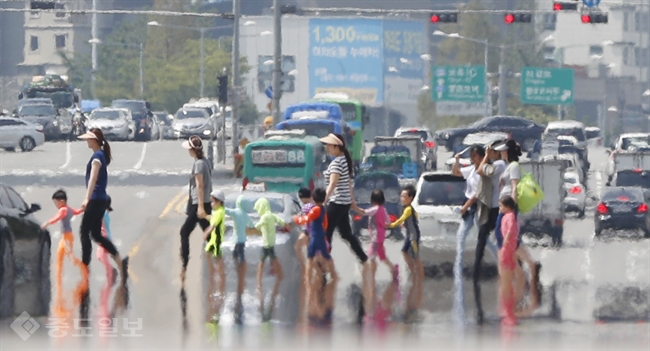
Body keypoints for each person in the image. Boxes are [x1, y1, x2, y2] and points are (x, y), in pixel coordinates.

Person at [493, 139, 540, 314]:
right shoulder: (506, 165)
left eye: (503, 150)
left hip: (508, 208)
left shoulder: (512, 166)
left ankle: (519, 294)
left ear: (508, 151)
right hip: (504, 207)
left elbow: (514, 187)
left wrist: (511, 208)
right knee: (508, 248)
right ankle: (517, 294)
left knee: (508, 240)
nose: (501, 152)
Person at [77, 129, 126, 284]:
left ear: (94, 140)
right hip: (101, 199)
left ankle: (85, 268)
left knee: (84, 232)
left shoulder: (97, 157)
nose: (86, 141)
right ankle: (118, 259)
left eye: (88, 139)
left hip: (96, 199)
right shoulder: (101, 155)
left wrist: (86, 198)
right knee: (96, 234)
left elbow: (93, 179)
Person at [319, 133, 367, 264]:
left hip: (336, 202)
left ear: (336, 147)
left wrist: (324, 201)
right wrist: (352, 203)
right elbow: (348, 184)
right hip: (343, 203)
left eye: (329, 145)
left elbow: (333, 184)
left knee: (325, 234)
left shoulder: (336, 163)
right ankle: (363, 257)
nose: (327, 148)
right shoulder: (344, 160)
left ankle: (323, 263)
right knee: (346, 234)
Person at [473, 140, 507, 323]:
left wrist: (486, 155)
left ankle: (479, 271)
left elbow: (481, 170)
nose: (490, 154)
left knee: (494, 237)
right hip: (492, 206)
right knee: (485, 237)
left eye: (492, 151)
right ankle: (478, 269)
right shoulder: (496, 164)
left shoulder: (500, 164)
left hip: (496, 208)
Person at [450, 145, 483, 322]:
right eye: (471, 156)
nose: (472, 158)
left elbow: (476, 194)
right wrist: (456, 161)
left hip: (474, 208)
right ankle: (458, 263)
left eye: (474, 156)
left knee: (482, 237)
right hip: (468, 207)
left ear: (480, 157)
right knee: (463, 236)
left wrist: (464, 208)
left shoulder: (482, 172)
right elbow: (456, 173)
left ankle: (459, 264)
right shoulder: (471, 169)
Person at [41, 189, 87, 314]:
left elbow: (58, 216)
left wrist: (47, 223)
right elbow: (77, 211)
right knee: (60, 256)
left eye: (56, 203)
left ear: (61, 201)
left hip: (67, 237)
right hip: (66, 237)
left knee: (69, 257)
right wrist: (83, 208)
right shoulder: (70, 209)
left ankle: (83, 271)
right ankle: (59, 278)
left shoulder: (64, 209)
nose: (56, 205)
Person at [179, 135, 213, 284]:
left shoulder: (199, 164)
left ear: (193, 150)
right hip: (202, 203)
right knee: (209, 235)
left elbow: (200, 186)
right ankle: (216, 262)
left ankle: (185, 267)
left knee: (184, 232)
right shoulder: (204, 162)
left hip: (199, 203)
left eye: (189, 149)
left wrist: (199, 207)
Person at [252, 197, 289, 318]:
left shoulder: (264, 217)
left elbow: (257, 226)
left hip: (266, 244)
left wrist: (251, 227)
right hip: (271, 243)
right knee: (273, 259)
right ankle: (280, 275)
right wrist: (287, 226)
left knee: (262, 262)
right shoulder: (272, 215)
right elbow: (282, 222)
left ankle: (259, 281)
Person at [293, 188, 338, 283]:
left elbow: (304, 219)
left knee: (300, 249)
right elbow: (325, 223)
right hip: (318, 234)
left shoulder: (308, 207)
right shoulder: (321, 208)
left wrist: (295, 219)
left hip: (310, 233)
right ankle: (326, 275)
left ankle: (307, 272)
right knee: (320, 257)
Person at [360, 189, 398, 284]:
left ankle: (372, 276)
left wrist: (354, 207)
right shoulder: (383, 209)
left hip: (376, 237)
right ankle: (393, 269)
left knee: (371, 256)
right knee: (382, 256)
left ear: (372, 200)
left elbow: (364, 212)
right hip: (380, 236)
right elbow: (388, 222)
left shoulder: (375, 209)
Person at [388, 185, 423, 284]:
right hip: (409, 234)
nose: (401, 198)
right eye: (401, 196)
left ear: (410, 198)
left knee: (416, 256)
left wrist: (390, 225)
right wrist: (407, 223)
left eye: (404, 196)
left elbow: (400, 220)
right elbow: (413, 217)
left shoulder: (408, 209)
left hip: (413, 236)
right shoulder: (407, 208)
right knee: (404, 252)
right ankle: (413, 273)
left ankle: (420, 277)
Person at [224, 195, 255, 299]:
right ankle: (240, 268)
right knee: (238, 252)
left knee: (239, 254)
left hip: (237, 238)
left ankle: (241, 270)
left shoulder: (236, 212)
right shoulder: (245, 215)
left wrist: (219, 206)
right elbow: (251, 225)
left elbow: (227, 211)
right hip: (242, 238)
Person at [203, 190, 226, 324]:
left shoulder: (220, 212)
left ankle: (220, 282)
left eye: (212, 201)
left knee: (218, 260)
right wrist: (205, 216)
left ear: (219, 202)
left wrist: (206, 232)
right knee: (208, 255)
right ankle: (213, 278)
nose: (211, 204)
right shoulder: (216, 212)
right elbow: (211, 219)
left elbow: (213, 226)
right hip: (213, 241)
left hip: (216, 240)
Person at [498, 196, 519, 326]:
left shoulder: (510, 216)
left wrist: (506, 238)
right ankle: (509, 312)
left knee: (506, 283)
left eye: (501, 206)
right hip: (509, 249)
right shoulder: (508, 216)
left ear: (507, 206)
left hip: (507, 250)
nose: (500, 209)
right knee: (508, 283)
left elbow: (511, 229)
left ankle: (509, 313)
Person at [96, 196, 117, 285]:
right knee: (100, 256)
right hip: (105, 237)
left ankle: (111, 273)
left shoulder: (103, 213)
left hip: (105, 238)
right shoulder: (104, 213)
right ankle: (111, 271)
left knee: (101, 256)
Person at [295, 187, 316, 270]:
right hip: (313, 231)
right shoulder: (313, 204)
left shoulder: (307, 206)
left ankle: (304, 266)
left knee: (298, 247)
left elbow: (300, 218)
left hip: (309, 231)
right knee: (311, 254)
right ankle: (318, 272)